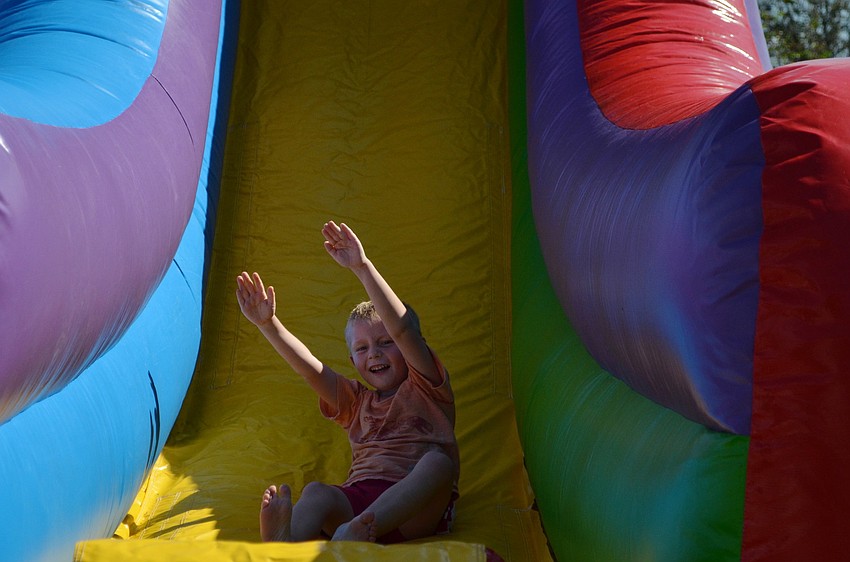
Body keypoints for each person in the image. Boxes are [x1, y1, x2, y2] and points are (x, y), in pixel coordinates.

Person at [236, 221, 459, 544]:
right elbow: (311, 371)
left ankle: (360, 530)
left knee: (438, 464)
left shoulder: (428, 386)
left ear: (414, 348)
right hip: (356, 503)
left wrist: (362, 267)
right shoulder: (356, 403)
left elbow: (403, 329)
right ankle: (284, 544)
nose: (374, 354)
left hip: (415, 510)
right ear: (353, 361)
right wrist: (269, 324)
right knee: (316, 493)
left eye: (385, 343)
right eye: (362, 349)